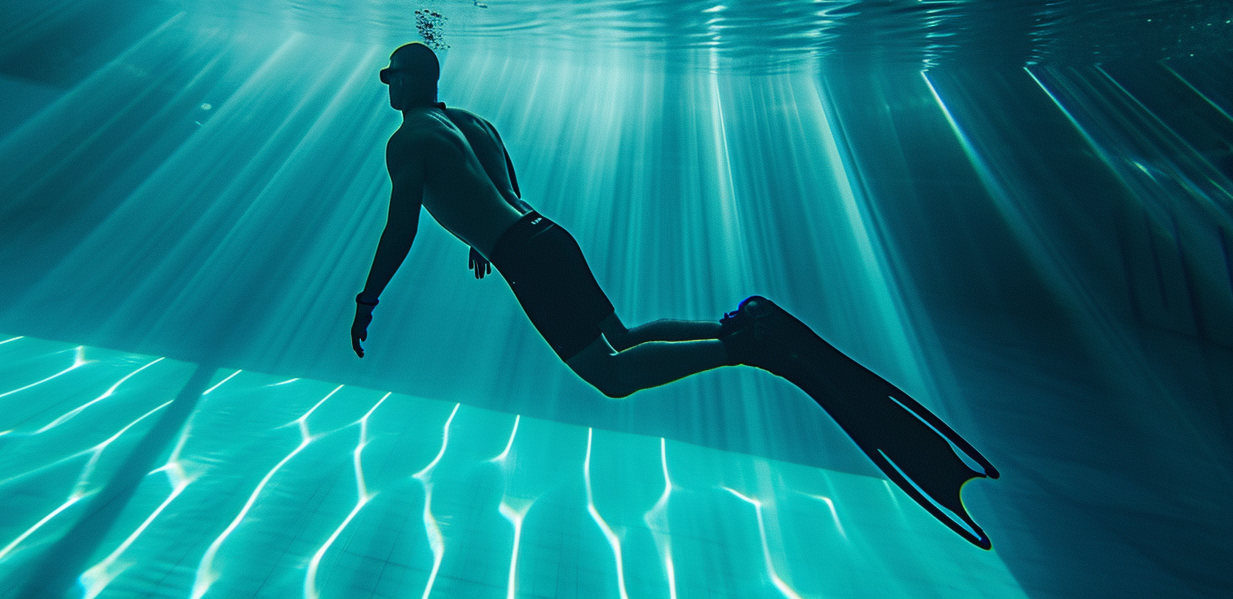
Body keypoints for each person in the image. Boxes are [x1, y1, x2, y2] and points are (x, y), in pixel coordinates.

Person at [351, 42, 1000, 548]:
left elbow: (401, 226)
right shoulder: (470, 121)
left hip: (524, 257)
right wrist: (480, 234)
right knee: (625, 336)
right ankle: (733, 329)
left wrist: (369, 298)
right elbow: (501, 180)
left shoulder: (407, 139)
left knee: (609, 376)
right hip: (547, 234)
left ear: (417, 79)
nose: (389, 86)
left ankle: (743, 347)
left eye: (394, 76)